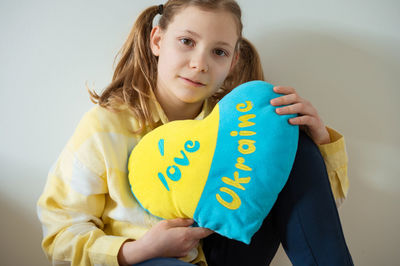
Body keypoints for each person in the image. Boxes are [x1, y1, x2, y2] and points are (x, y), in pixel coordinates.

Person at [37, 0, 353, 265]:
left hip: (226, 252)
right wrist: (139, 249)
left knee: (292, 140)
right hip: (148, 260)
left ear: (233, 63)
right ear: (157, 40)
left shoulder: (236, 125)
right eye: (187, 42)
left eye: (218, 52)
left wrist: (319, 140)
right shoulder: (105, 127)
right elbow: (59, 234)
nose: (199, 63)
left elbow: (313, 215)